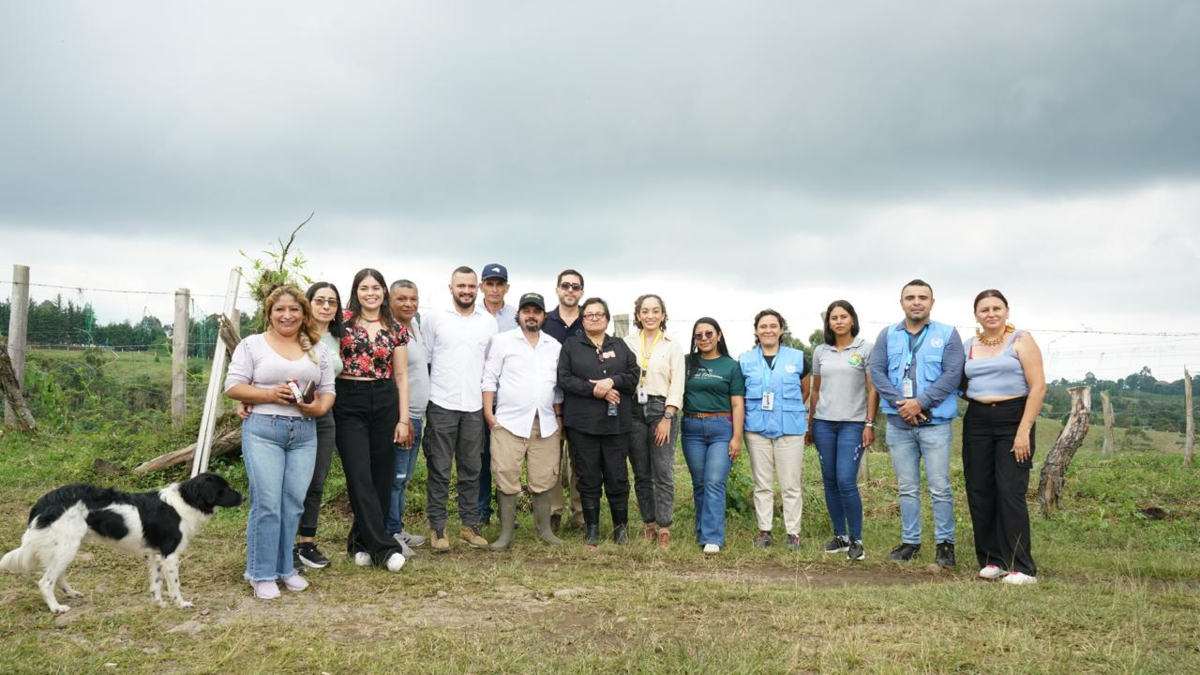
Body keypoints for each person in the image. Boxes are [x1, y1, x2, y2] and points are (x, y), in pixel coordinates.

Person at [225, 285, 336, 599]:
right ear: (269, 314)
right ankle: (261, 574)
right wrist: (269, 395)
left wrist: (319, 407)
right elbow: (233, 386)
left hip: (304, 432)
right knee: (268, 504)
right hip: (263, 429)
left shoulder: (317, 347)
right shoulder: (252, 345)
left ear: (303, 313)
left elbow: (328, 390)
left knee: (292, 504)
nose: (287, 316)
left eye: (294, 310)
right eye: (280, 310)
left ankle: (285, 569)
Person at [868, 279, 964, 567]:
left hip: (935, 423)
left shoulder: (948, 334)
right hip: (900, 425)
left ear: (932, 302)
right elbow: (877, 370)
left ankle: (945, 545)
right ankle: (911, 542)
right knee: (907, 486)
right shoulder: (887, 335)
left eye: (923, 297)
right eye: (910, 297)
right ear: (902, 303)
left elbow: (952, 374)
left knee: (939, 486)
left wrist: (920, 403)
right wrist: (904, 404)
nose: (916, 302)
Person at [961, 289, 1046, 585]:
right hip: (978, 420)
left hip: (1014, 417)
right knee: (980, 490)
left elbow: (1038, 388)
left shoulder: (1022, 340)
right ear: (976, 315)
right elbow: (960, 383)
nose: (991, 314)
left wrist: (1024, 431)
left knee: (1010, 490)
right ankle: (991, 559)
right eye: (984, 309)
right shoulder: (968, 345)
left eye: (997, 308)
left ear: (1007, 311)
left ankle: (1022, 567)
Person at [335, 268, 410, 573]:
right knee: (358, 474)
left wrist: (403, 419)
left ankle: (359, 541)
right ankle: (384, 547)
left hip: (384, 399)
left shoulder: (396, 327)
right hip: (348, 398)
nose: (371, 293)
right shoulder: (340, 321)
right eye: (364, 288)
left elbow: (402, 376)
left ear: (384, 292)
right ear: (356, 291)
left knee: (382, 475)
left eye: (376, 288)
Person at [422, 266, 499, 552]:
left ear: (477, 288)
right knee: (439, 469)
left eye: (470, 286)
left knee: (472, 468)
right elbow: (427, 359)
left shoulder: (487, 322)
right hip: (441, 403)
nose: (465, 290)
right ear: (451, 287)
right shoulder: (435, 318)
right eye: (460, 286)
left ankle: (469, 525)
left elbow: (491, 364)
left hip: (473, 406)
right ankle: (438, 528)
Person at [482, 292, 566, 550]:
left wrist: (559, 417)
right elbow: (489, 379)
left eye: (536, 311)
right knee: (506, 475)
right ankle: (506, 534)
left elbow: (558, 387)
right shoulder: (502, 341)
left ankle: (545, 531)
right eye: (526, 311)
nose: (531, 315)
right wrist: (489, 414)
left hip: (546, 423)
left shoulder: (553, 345)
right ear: (518, 314)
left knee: (543, 478)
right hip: (508, 422)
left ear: (543, 316)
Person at [556, 297, 640, 548]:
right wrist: (595, 391)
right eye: (589, 314)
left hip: (616, 425)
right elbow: (565, 378)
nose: (594, 318)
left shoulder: (620, 345)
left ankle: (620, 529)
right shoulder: (572, 345)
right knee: (588, 477)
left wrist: (611, 383)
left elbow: (633, 374)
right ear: (582, 320)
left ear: (607, 318)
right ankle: (591, 530)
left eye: (599, 314)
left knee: (617, 477)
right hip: (583, 424)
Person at [808, 300, 879, 562]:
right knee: (829, 480)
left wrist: (869, 423)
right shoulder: (820, 351)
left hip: (853, 423)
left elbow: (873, 389)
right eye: (833, 317)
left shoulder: (866, 349)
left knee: (846, 479)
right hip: (824, 423)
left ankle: (857, 540)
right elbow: (816, 389)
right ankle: (841, 536)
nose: (838, 321)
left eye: (843, 316)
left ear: (852, 320)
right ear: (828, 323)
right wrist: (811, 422)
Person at [738, 309, 809, 552]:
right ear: (756, 331)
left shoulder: (798, 358)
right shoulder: (745, 360)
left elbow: (806, 390)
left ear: (781, 329)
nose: (768, 330)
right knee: (763, 484)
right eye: (763, 326)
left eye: (773, 326)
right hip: (756, 429)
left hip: (790, 429)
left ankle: (793, 534)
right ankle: (764, 531)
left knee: (790, 485)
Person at [623, 294, 685, 548]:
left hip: (661, 409)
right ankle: (648, 523)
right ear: (638, 315)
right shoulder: (626, 343)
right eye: (645, 311)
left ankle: (664, 526)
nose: (650, 316)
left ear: (663, 314)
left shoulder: (672, 345)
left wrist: (668, 417)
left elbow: (677, 384)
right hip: (633, 409)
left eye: (655, 311)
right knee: (641, 472)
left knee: (663, 471)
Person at [682, 318, 745, 555]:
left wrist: (736, 437)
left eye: (709, 333)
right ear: (694, 339)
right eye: (699, 335)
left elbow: (738, 404)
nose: (704, 338)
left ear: (719, 335)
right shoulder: (687, 363)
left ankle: (713, 537)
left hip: (721, 427)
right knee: (699, 483)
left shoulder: (731, 366)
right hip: (692, 427)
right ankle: (702, 531)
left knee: (714, 481)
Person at [292, 282, 344, 570]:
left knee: (316, 482)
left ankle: (306, 543)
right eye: (320, 300)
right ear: (308, 303)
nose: (326, 306)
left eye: (332, 302)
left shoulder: (341, 338)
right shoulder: (293, 333)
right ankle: (285, 544)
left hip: (325, 414)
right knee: (292, 483)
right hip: (291, 413)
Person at [386, 279, 428, 556]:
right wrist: (400, 418)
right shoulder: (389, 331)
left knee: (405, 476)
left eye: (413, 298)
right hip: (402, 416)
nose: (408, 304)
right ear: (390, 300)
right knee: (395, 476)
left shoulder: (416, 328)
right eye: (401, 298)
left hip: (418, 415)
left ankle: (397, 527)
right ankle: (390, 534)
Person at [542, 269, 586, 530]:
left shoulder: (590, 320)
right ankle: (553, 513)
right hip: (548, 402)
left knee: (579, 462)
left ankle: (579, 515)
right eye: (566, 286)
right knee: (550, 462)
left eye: (575, 287)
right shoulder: (545, 320)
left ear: (582, 292)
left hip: (581, 402)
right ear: (557, 289)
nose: (570, 290)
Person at [477, 263, 515, 526]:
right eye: (489, 283)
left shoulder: (516, 316)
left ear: (506, 287)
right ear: (482, 286)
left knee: (506, 459)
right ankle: (481, 512)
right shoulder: (471, 313)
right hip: (476, 395)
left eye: (499, 284)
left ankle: (506, 512)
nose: (494, 289)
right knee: (479, 458)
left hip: (509, 399)